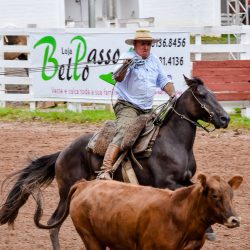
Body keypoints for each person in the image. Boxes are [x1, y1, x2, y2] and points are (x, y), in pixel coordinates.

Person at [97, 29, 176, 180]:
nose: (146, 47)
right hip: (128, 105)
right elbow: (118, 78)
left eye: (148, 44)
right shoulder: (127, 57)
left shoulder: (154, 60)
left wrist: (172, 94)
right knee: (124, 130)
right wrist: (126, 66)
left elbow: (164, 80)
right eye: (142, 44)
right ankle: (105, 169)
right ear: (135, 44)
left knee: (162, 129)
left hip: (147, 108)